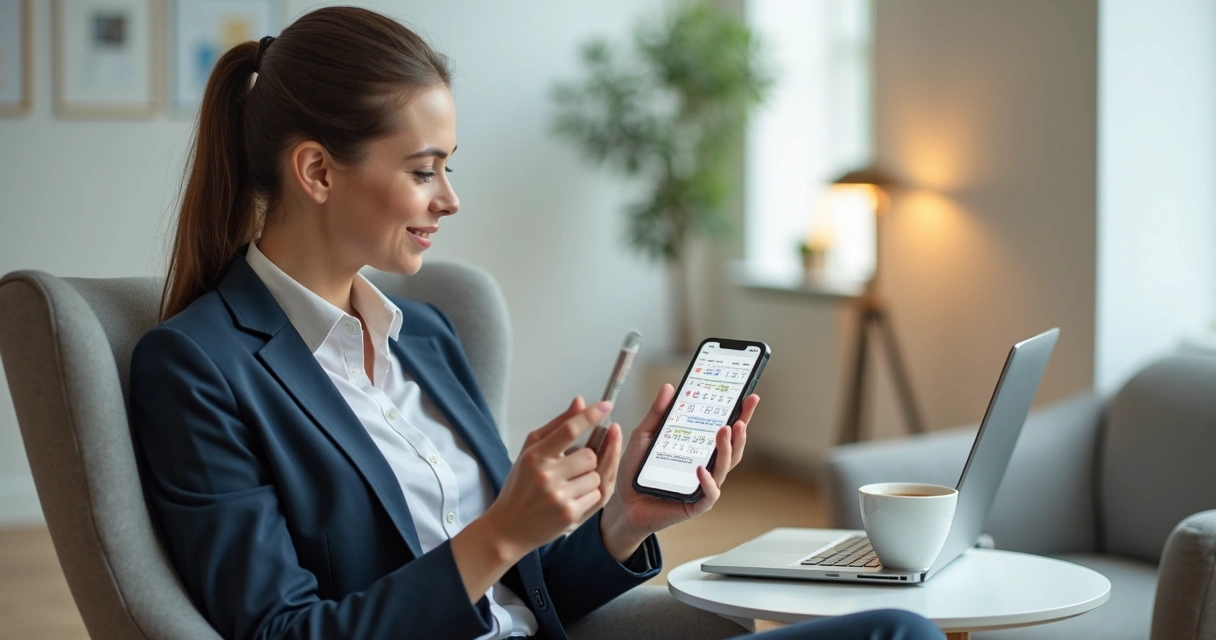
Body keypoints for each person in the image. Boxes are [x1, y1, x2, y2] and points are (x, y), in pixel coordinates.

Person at [129, 6, 943, 640]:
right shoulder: (198, 367)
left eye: (449, 167)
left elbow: (520, 596)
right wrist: (498, 533)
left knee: (897, 630)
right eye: (424, 171)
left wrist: (623, 519)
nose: (451, 199)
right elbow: (282, 631)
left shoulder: (427, 336)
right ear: (316, 170)